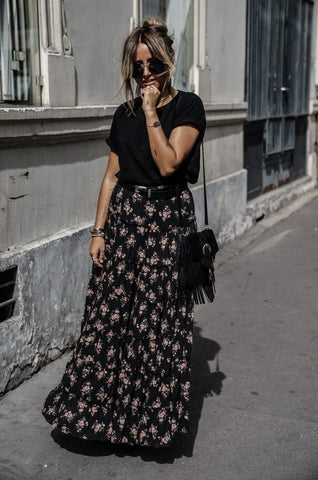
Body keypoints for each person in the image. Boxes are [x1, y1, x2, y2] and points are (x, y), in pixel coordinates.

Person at [41, 17, 206, 448]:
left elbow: (170, 164)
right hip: (126, 224)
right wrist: (98, 232)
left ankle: (145, 425)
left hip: (167, 225)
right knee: (108, 321)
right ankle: (98, 418)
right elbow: (111, 178)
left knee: (155, 325)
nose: (145, 74)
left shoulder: (188, 107)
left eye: (152, 64)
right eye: (137, 67)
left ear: (168, 61)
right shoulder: (123, 114)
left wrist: (153, 111)